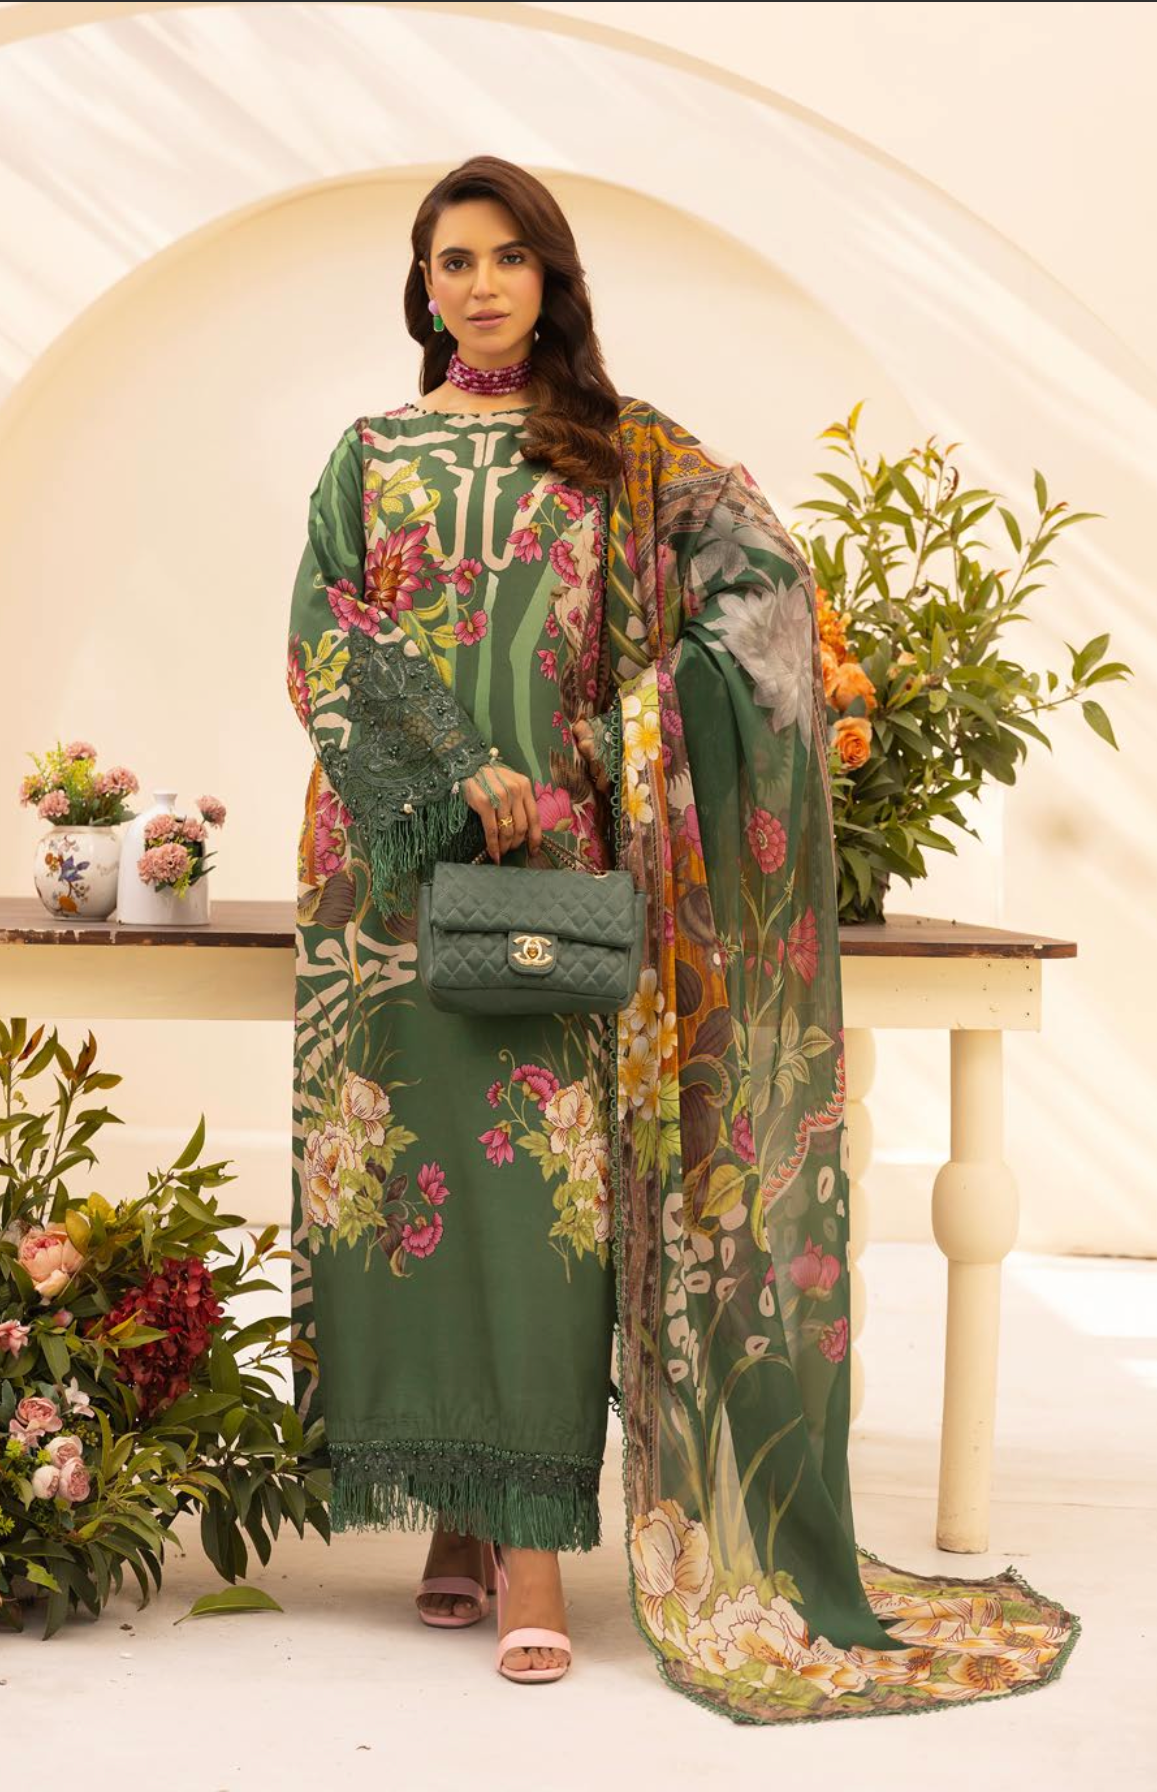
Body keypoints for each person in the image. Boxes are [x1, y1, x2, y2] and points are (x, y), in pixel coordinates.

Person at [286, 155, 1082, 1719]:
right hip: (391, 883)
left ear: (552, 277)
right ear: (421, 288)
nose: (481, 284)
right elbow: (325, 627)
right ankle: (458, 1507)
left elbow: (763, 595)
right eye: (453, 261)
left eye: (508, 257)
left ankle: (532, 1556)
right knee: (404, 1195)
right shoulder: (368, 456)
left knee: (544, 1206)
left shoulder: (620, 452)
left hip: (565, 876)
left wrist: (598, 750)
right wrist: (452, 768)